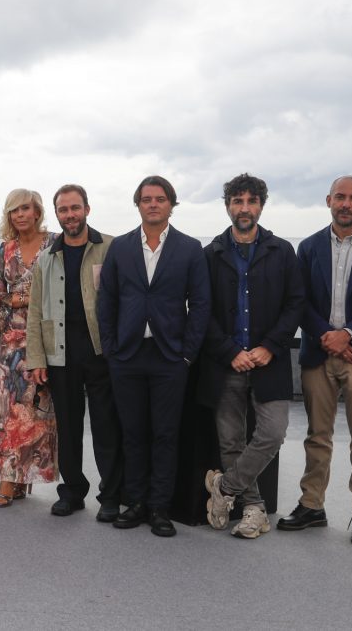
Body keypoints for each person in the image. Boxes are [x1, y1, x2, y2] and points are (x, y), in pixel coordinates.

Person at [278, 176, 352, 546]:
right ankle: (311, 505)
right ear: (328, 200)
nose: (346, 203)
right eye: (340, 197)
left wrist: (348, 334)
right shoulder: (309, 247)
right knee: (317, 436)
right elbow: (299, 300)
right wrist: (329, 337)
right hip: (319, 353)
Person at [96, 175, 210, 537]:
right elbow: (106, 300)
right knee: (133, 433)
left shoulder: (190, 248)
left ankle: (160, 506)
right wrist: (111, 349)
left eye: (160, 199)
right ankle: (136, 502)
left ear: (171, 205)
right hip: (127, 355)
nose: (153, 204)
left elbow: (201, 304)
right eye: (146, 199)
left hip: (169, 356)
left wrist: (187, 354)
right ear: (138, 205)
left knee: (165, 434)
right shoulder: (120, 247)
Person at [200, 174, 304, 538]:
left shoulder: (282, 251)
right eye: (237, 201)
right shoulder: (211, 254)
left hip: (268, 361)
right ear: (228, 206)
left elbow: (295, 304)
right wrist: (230, 350)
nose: (244, 208)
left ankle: (224, 487)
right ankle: (254, 509)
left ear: (261, 205)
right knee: (231, 441)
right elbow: (201, 310)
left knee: (273, 432)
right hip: (225, 362)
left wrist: (270, 346)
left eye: (251, 201)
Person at [28, 184, 123, 522]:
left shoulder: (110, 248)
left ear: (87, 209)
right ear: (57, 214)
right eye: (63, 210)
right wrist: (37, 358)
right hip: (60, 353)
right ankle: (72, 492)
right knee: (67, 429)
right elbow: (35, 311)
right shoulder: (46, 257)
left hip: (101, 352)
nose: (70, 215)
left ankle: (111, 496)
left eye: (75, 208)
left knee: (106, 427)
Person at [0, 189, 58, 507]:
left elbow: (60, 292)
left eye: (25, 208)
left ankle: (22, 477)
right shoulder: (6, 248)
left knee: (36, 413)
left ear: (37, 211)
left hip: (45, 342)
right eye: (14, 210)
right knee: (10, 412)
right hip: (10, 345)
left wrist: (22, 299)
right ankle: (8, 480)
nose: (20, 214)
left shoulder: (55, 243)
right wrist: (20, 299)